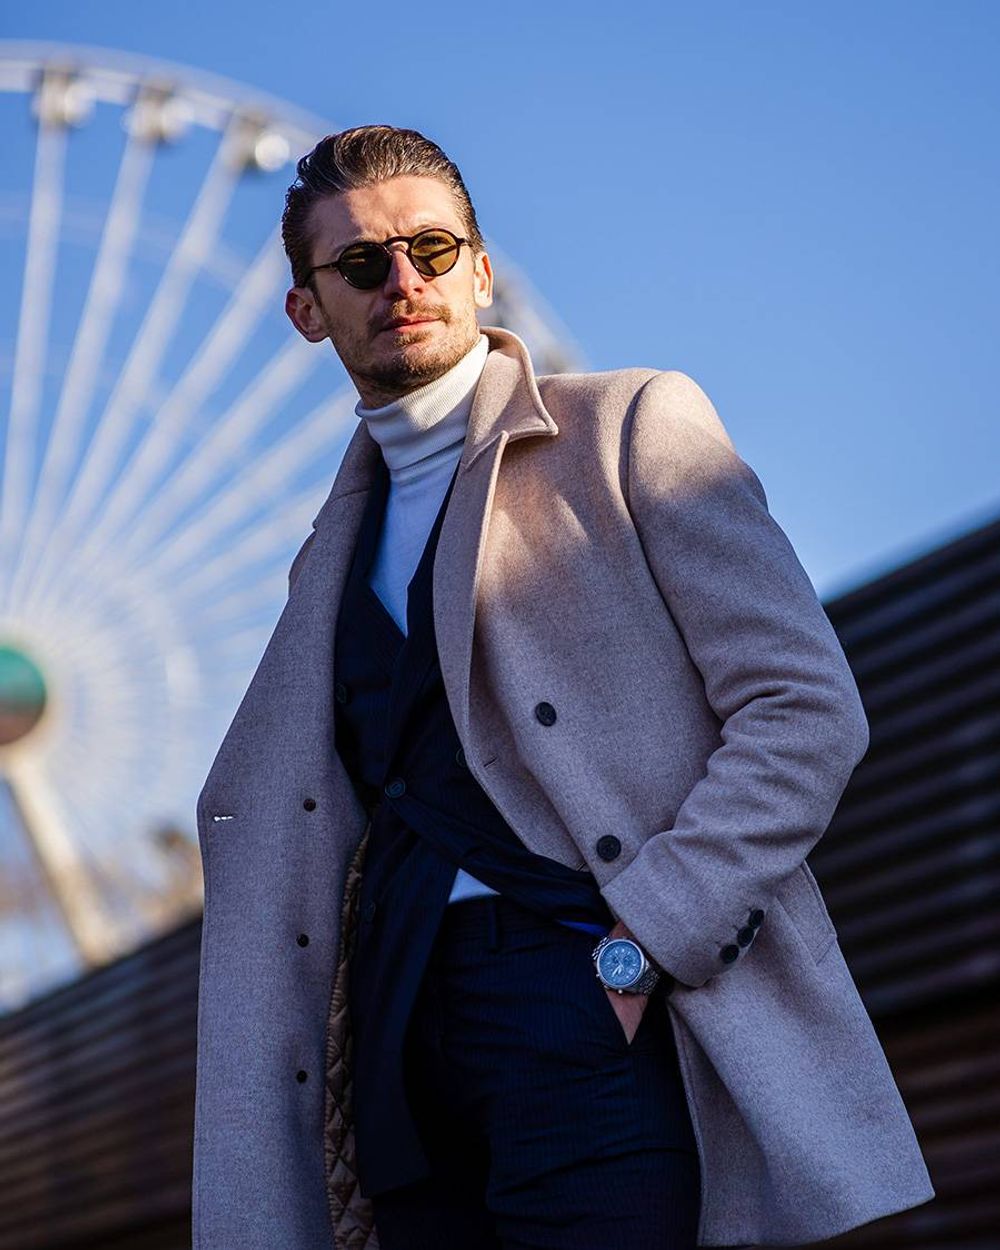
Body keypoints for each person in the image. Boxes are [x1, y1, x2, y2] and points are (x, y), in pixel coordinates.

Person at [190, 125, 935, 1250]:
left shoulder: (630, 428)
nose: (405, 281)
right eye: (359, 264)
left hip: (584, 988)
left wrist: (645, 940)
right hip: (395, 1036)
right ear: (307, 310)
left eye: (434, 250)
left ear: (481, 273)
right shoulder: (321, 568)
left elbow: (804, 708)